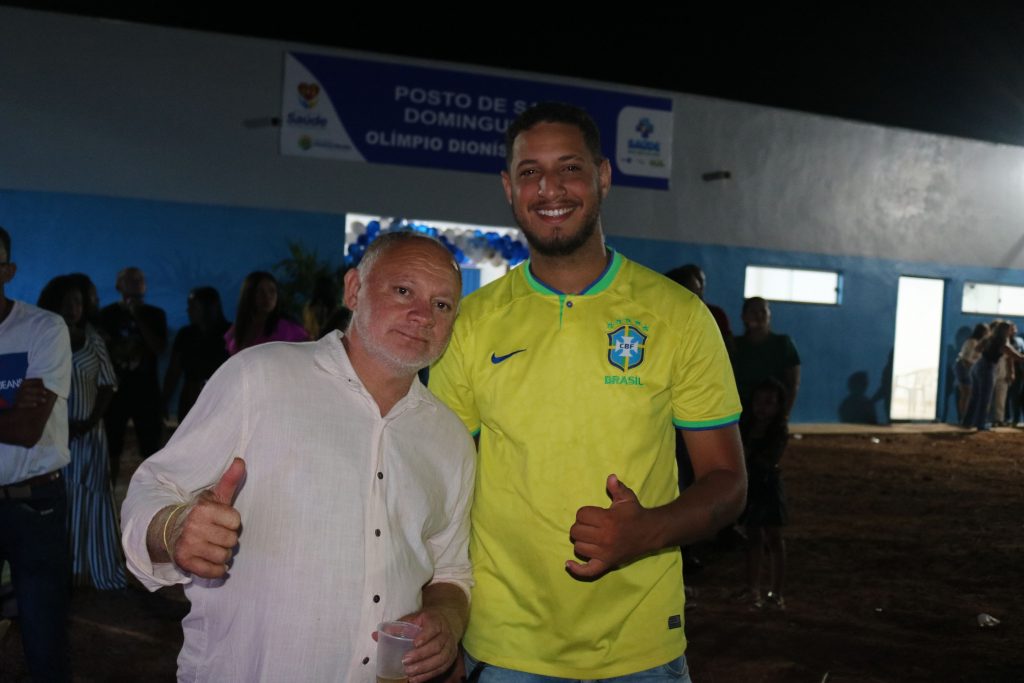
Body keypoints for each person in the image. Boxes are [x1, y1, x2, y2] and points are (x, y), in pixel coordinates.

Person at [429, 102, 746, 681]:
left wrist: (648, 530)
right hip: (503, 647)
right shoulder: (470, 325)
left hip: (640, 648)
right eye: (530, 172)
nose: (549, 188)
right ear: (508, 187)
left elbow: (728, 482)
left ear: (602, 177)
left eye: (569, 168)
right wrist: (447, 619)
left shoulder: (678, 317)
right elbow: (440, 489)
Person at [122, 232, 475, 682]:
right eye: (403, 291)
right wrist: (174, 528)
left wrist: (446, 619)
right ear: (354, 290)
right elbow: (152, 487)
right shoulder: (260, 377)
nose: (422, 315)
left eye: (442, 304)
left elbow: (450, 568)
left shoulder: (450, 439)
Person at [0, 226, 73, 681]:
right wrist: (7, 406)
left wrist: (15, 417)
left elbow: (28, 430)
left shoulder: (43, 329)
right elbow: (16, 419)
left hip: (34, 506)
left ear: (7, 271)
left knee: (43, 642)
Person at [38, 275, 126, 591]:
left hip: (89, 435)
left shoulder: (93, 339)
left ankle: (93, 566)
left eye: (77, 302)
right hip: (55, 434)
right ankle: (64, 569)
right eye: (66, 302)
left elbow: (108, 384)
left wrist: (89, 421)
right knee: (62, 498)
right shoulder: (44, 338)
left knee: (91, 495)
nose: (72, 308)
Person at [98, 266, 168, 483]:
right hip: (115, 392)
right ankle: (108, 494)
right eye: (130, 279)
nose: (136, 283)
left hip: (146, 392)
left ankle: (155, 493)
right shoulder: (106, 315)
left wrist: (138, 316)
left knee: (152, 450)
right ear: (118, 285)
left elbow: (159, 347)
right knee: (111, 449)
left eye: (140, 279)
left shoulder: (155, 314)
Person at [737, 378, 789, 610]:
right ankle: (752, 589)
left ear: (778, 406)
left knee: (774, 538)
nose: (762, 407)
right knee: (753, 537)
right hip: (753, 486)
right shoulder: (747, 426)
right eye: (758, 401)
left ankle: (776, 592)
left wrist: (746, 453)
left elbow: (768, 459)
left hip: (767, 487)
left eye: (769, 402)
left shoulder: (778, 431)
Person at [161, 286, 229, 422]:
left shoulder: (229, 334)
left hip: (220, 398)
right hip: (190, 398)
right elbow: (174, 371)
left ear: (209, 307)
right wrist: (164, 400)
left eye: (193, 307)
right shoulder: (185, 334)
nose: (188, 311)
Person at [732, 296, 801, 417]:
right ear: (743, 316)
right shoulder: (734, 346)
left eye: (763, 311)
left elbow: (793, 384)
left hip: (772, 414)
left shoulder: (783, 344)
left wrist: (784, 415)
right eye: (753, 311)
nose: (759, 315)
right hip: (740, 412)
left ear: (769, 315)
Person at [224, 271, 308, 355]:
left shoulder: (288, 328)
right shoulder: (237, 329)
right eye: (260, 291)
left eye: (272, 291)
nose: (267, 296)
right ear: (248, 295)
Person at [964, 320, 1023, 431]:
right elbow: (1017, 357)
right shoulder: (1003, 343)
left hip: (978, 366)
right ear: (1006, 331)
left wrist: (989, 351)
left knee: (975, 397)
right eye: (1010, 329)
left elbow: (978, 348)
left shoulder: (989, 338)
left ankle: (968, 422)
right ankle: (980, 424)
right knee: (985, 398)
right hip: (987, 368)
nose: (1012, 331)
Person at [954, 323, 988, 423]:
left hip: (968, 368)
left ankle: (965, 417)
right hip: (965, 368)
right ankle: (963, 417)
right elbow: (966, 360)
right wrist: (971, 373)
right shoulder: (972, 342)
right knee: (966, 393)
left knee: (967, 394)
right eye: (986, 332)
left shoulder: (977, 342)